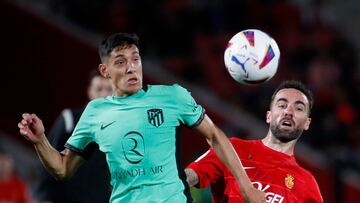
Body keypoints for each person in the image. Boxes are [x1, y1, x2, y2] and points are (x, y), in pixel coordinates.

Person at [18, 32, 265, 203]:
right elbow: (63, 169)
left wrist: (246, 186)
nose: (131, 67)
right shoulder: (95, 112)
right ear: (105, 71)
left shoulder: (173, 97)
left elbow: (215, 136)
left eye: (135, 59)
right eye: (121, 61)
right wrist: (40, 140)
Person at [185, 80, 324, 203]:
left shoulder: (306, 183)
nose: (288, 111)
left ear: (307, 123)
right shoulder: (231, 149)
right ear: (269, 116)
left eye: (298, 108)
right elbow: (191, 175)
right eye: (282, 105)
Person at [36, 70, 112, 203]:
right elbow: (48, 163)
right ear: (89, 91)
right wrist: (45, 198)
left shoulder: (119, 128)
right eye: (99, 89)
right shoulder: (69, 120)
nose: (104, 94)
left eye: (109, 89)